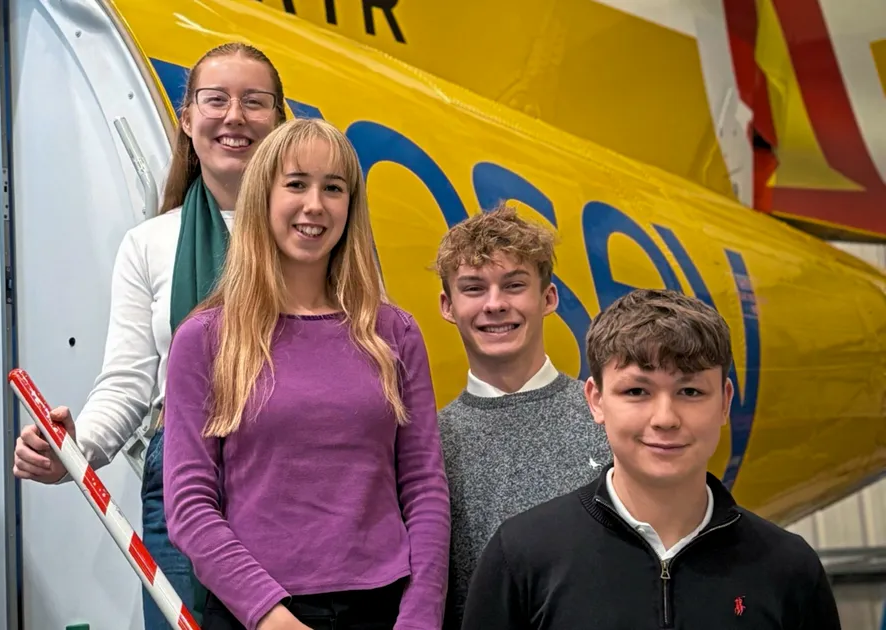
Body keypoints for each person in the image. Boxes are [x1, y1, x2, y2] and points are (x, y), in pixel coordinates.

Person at [11, 42, 288, 628]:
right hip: (184, 476)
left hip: (295, 471)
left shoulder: (312, 232)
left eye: (255, 102)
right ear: (187, 120)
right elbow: (130, 381)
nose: (234, 116)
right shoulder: (149, 244)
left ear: (279, 122)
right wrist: (74, 449)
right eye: (215, 100)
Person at [160, 118, 451, 630]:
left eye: (333, 188)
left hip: (383, 609)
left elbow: (425, 489)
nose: (315, 205)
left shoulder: (394, 333)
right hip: (258, 615)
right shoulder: (205, 339)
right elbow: (188, 506)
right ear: (262, 198)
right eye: (296, 184)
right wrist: (271, 616)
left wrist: (420, 616)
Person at [460, 289, 842, 629]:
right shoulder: (522, 556)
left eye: (690, 391)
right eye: (637, 391)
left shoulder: (788, 568)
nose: (665, 419)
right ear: (596, 400)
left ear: (725, 402)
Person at [432, 204, 611, 629]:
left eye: (514, 285)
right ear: (447, 305)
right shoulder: (429, 442)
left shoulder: (606, 418)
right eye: (473, 288)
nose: (495, 305)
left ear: (548, 297)